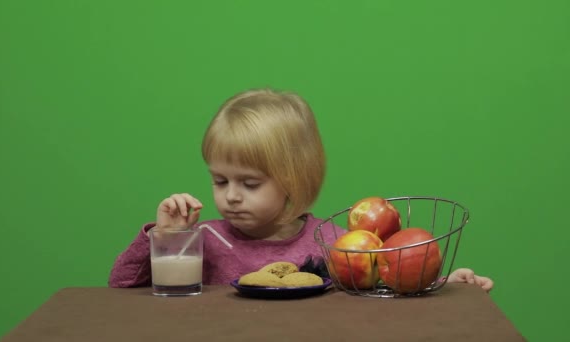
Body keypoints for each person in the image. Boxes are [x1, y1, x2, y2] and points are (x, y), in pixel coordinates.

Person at [108, 88, 494, 292]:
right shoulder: (202, 239)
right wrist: (166, 238)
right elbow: (123, 285)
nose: (231, 196)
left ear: (295, 180)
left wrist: (449, 284)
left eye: (250, 183)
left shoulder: (336, 244)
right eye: (220, 181)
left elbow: (388, 284)